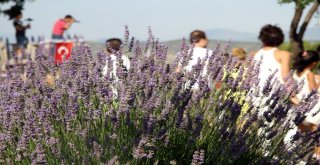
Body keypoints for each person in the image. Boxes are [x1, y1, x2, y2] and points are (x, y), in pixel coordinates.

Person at [254, 24, 291, 90]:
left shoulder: (254, 54)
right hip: (275, 95)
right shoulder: (283, 54)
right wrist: (295, 98)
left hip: (253, 95)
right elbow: (286, 78)